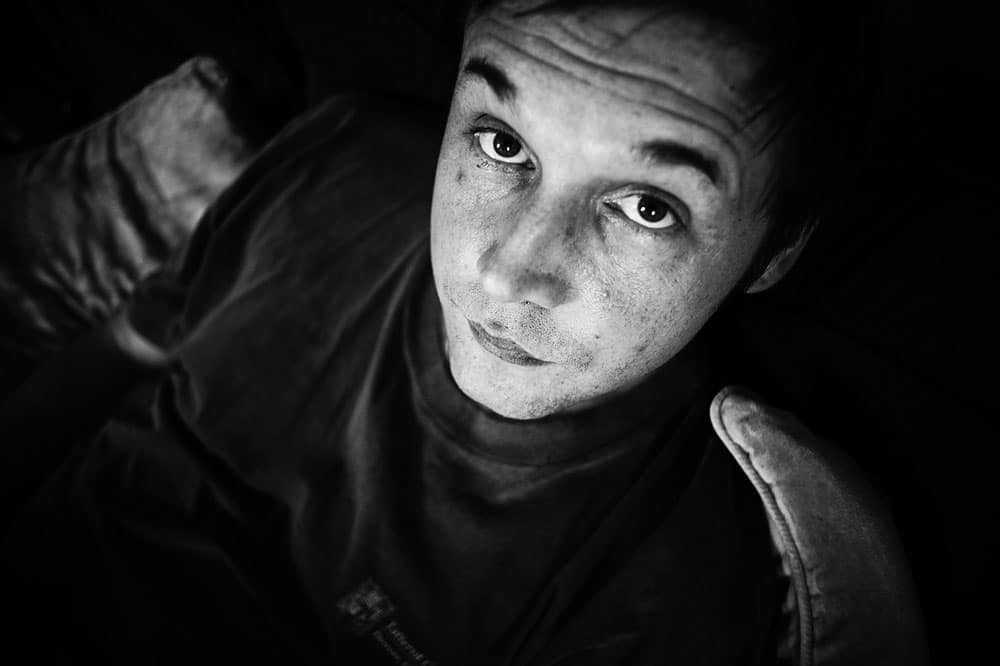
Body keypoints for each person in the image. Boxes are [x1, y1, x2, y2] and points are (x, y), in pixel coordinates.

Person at [1, 1, 891, 664]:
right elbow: (123, 347)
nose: (507, 273)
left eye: (647, 207)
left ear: (774, 251)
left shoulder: (670, 587)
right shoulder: (340, 162)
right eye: (502, 144)